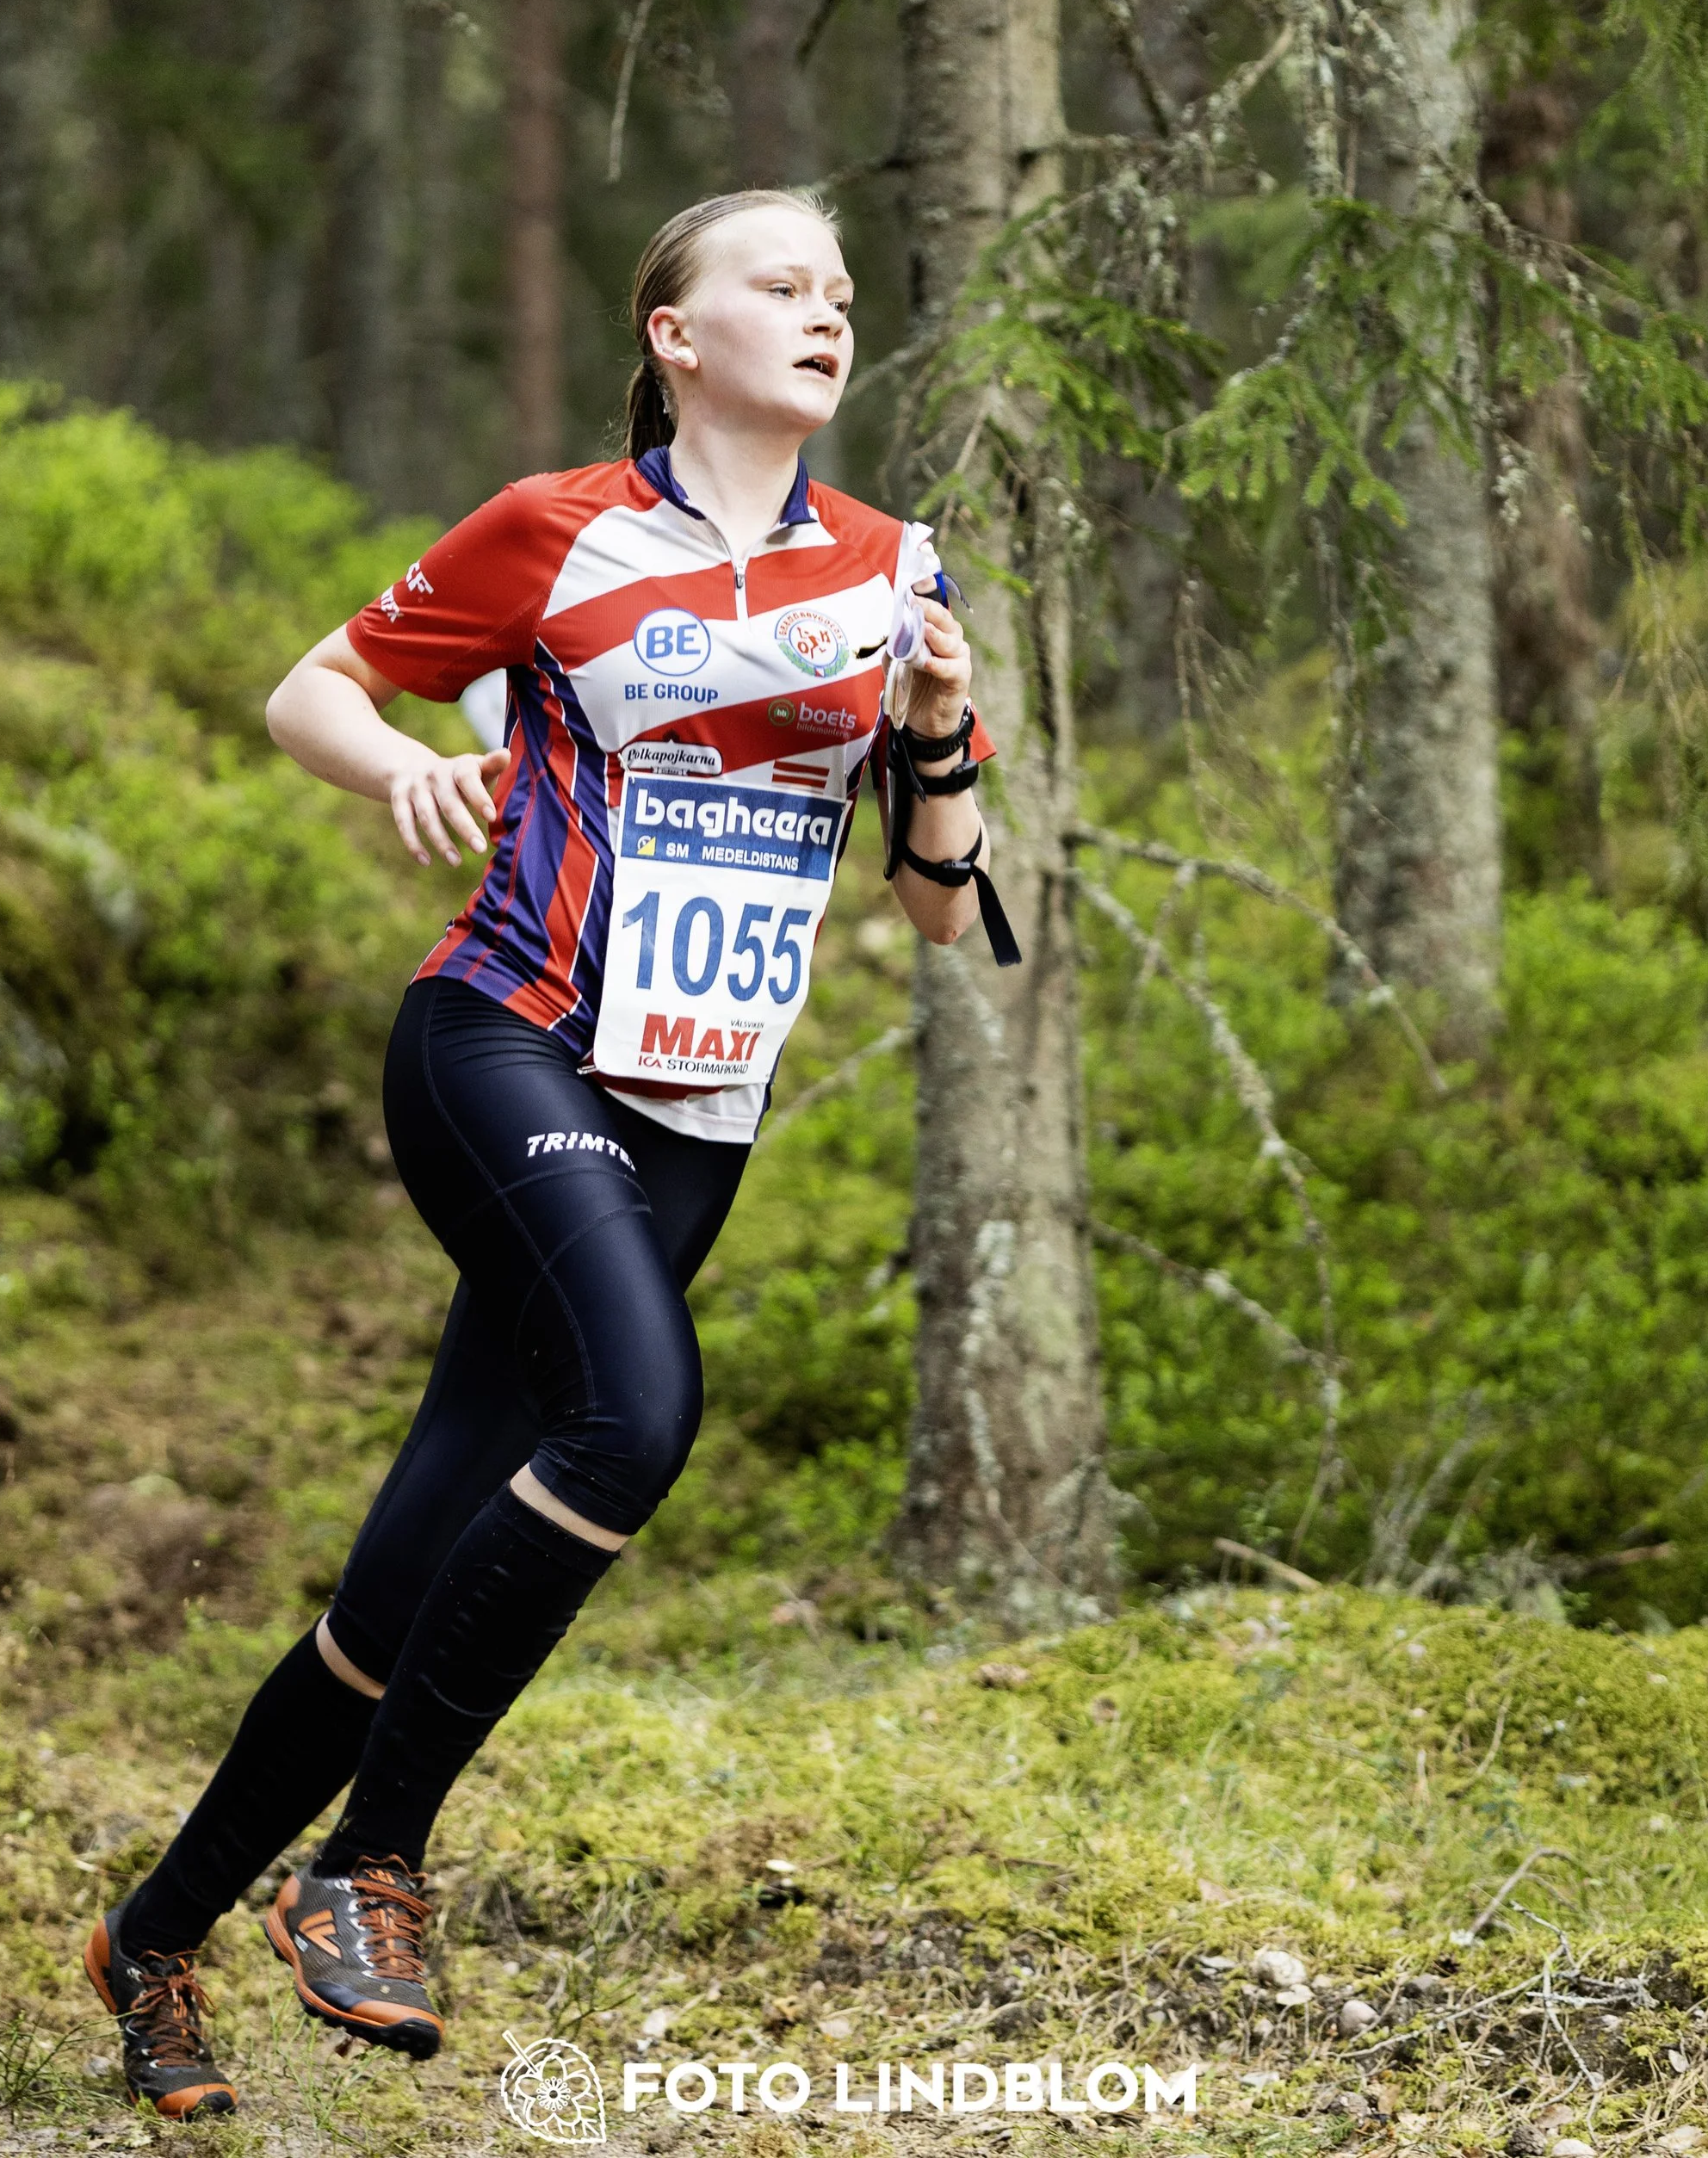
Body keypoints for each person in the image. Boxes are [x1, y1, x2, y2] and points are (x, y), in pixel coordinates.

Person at [80, 186, 1015, 2118]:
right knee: (636, 1418)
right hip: (503, 1032)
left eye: (842, 291)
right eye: (780, 283)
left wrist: (931, 726)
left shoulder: (891, 567)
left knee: (400, 1585)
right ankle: (368, 1867)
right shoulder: (555, 526)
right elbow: (310, 687)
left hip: (693, 1113)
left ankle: (152, 1936)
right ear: (676, 333)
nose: (826, 313)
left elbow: (939, 904)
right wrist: (408, 764)